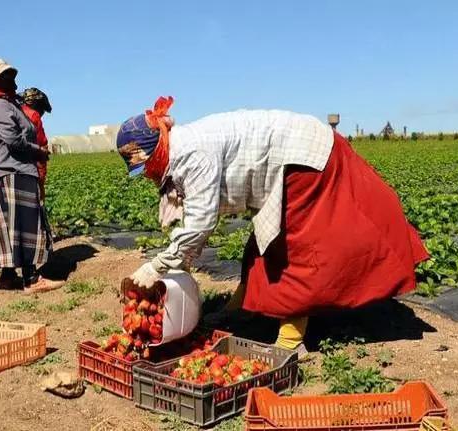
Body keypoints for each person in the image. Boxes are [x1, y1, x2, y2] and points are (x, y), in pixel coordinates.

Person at [118, 97, 429, 353]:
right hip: (285, 159)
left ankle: (292, 338)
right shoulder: (178, 150)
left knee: (295, 245)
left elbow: (199, 223)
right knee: (263, 238)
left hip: (304, 159)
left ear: (155, 149)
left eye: (143, 167)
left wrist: (156, 267)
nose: (146, 175)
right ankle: (242, 306)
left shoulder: (192, 154)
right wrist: (177, 260)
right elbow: (193, 218)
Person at [0, 57, 64, 294]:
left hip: (11, 172)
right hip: (16, 171)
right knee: (26, 225)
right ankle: (31, 279)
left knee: (12, 227)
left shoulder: (7, 103)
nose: (13, 79)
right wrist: (39, 151)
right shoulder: (0, 105)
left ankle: (7, 276)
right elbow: (12, 140)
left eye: (12, 74)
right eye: (6, 76)